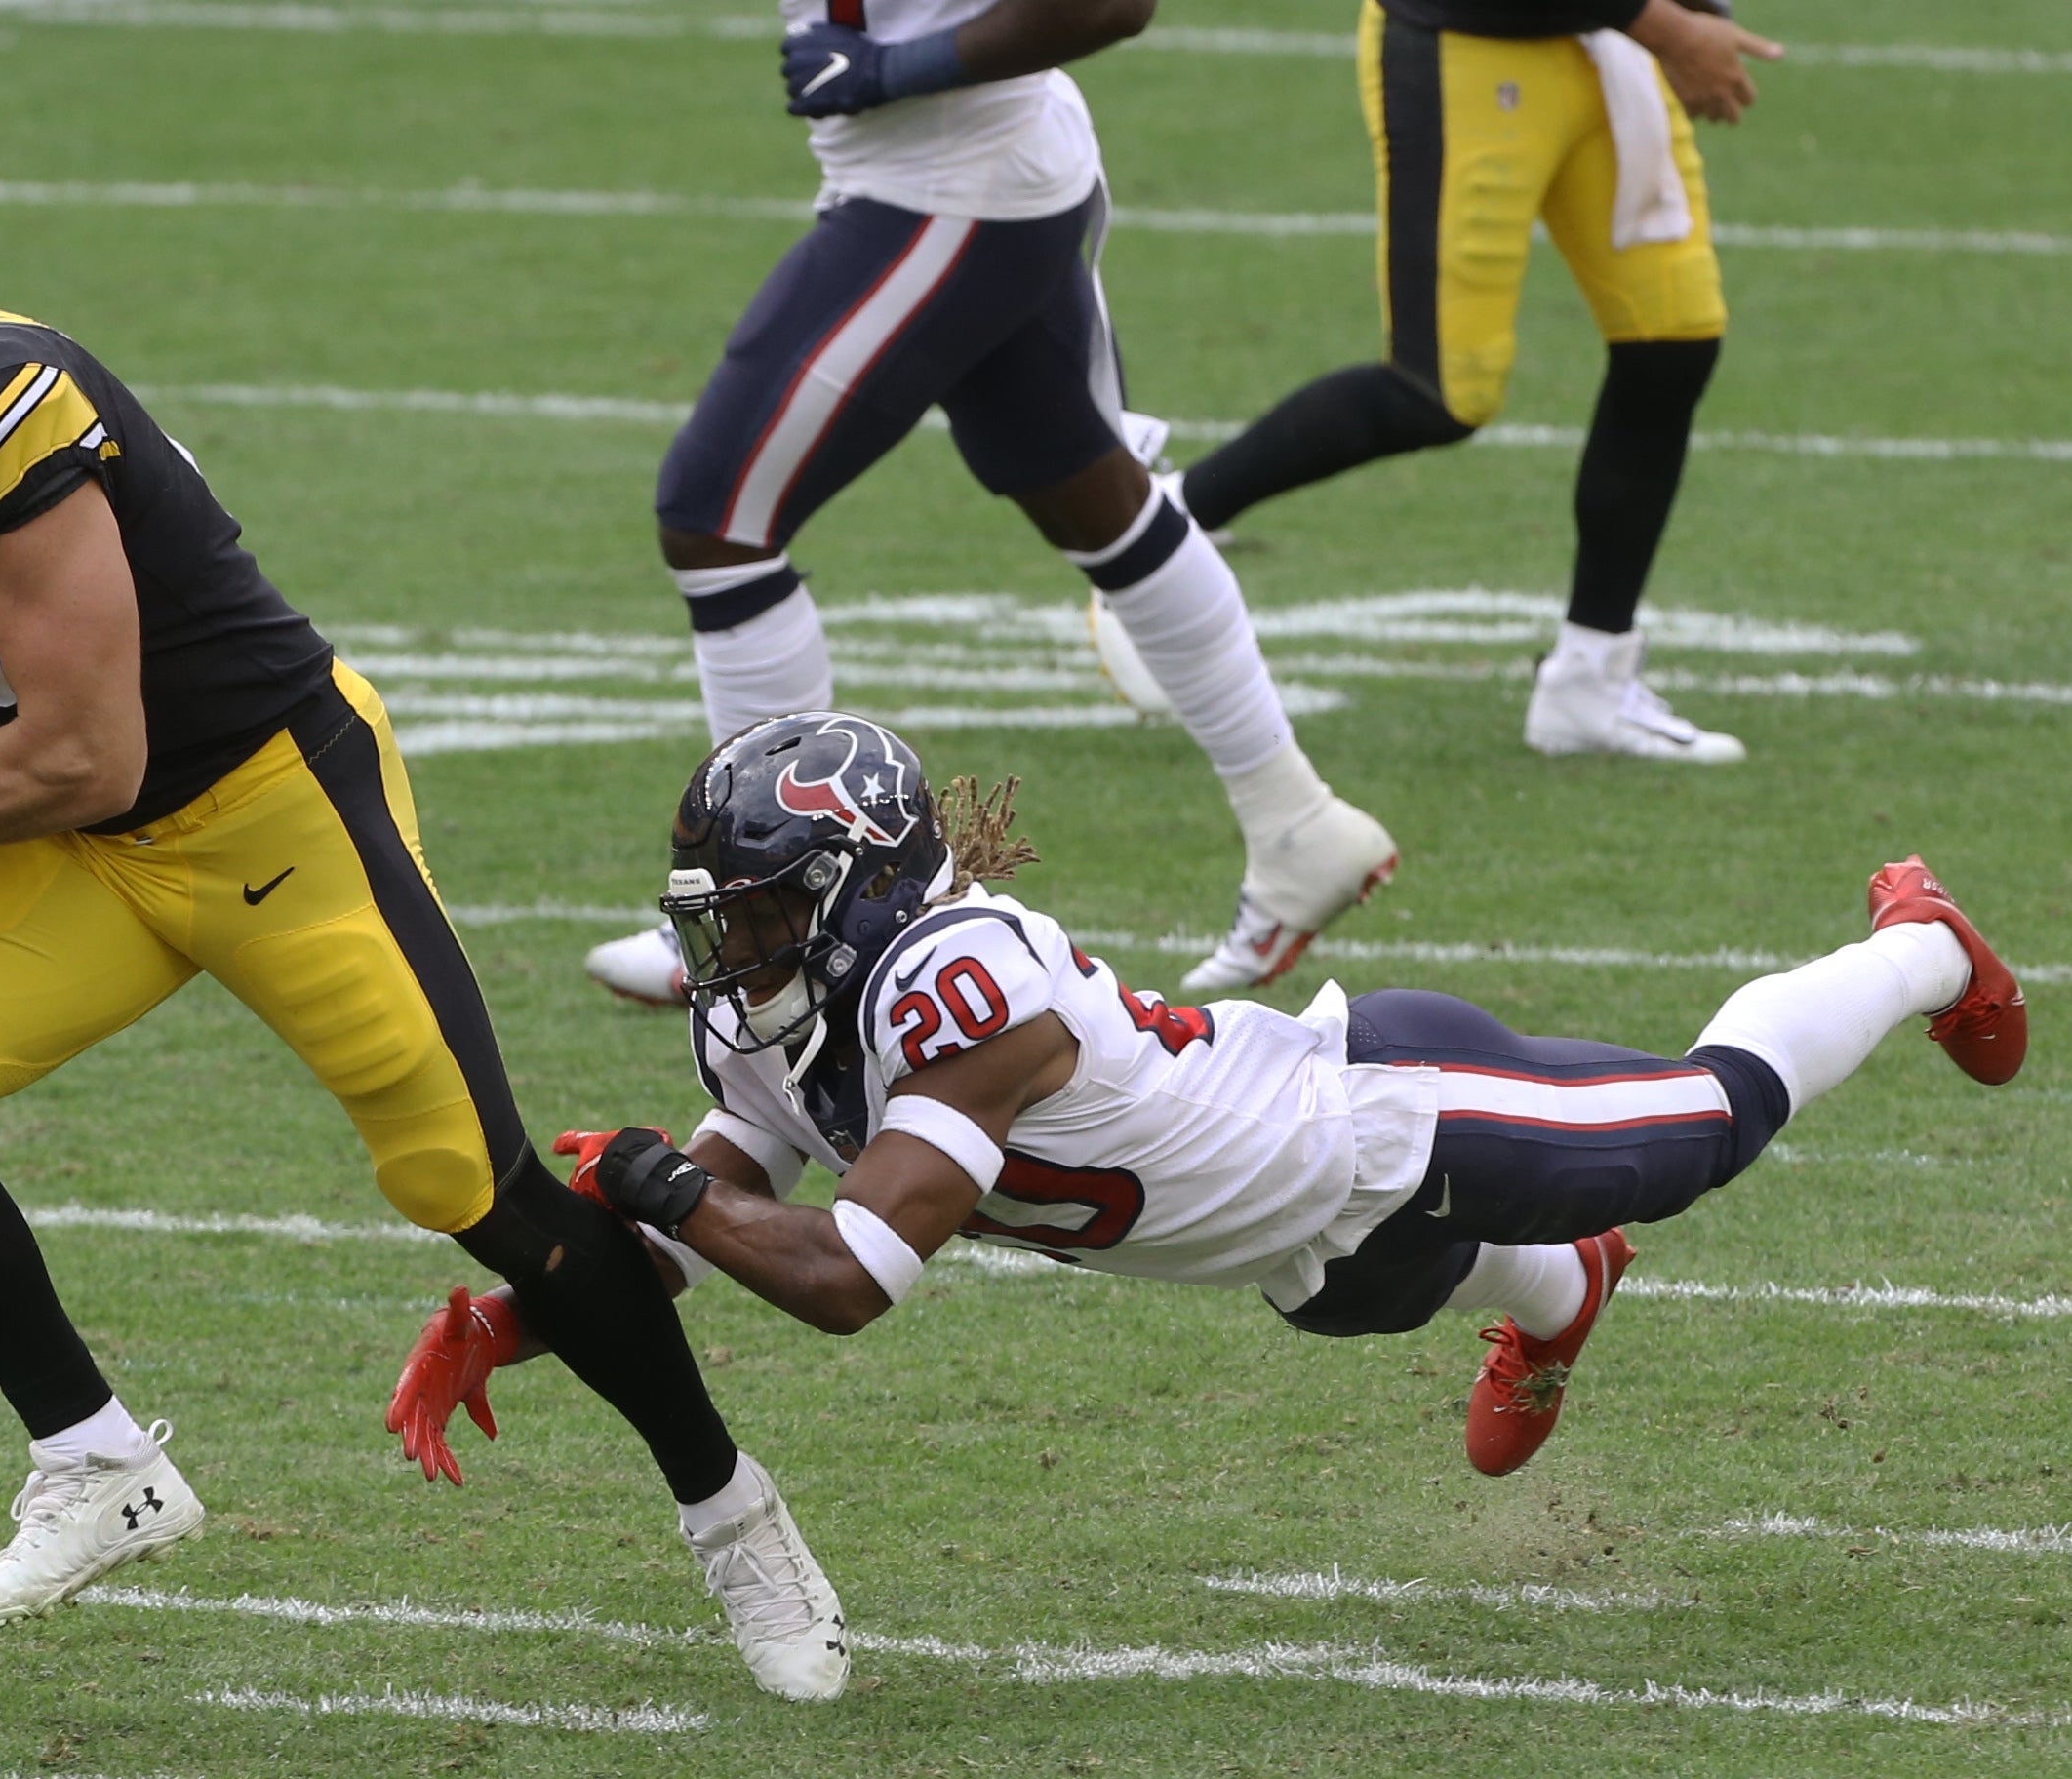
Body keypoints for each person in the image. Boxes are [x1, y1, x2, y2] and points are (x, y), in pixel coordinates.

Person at [0, 136, 845, 1698]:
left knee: (477, 1190)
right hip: (84, 847)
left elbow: (90, 746)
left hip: (265, 806)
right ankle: (99, 1463)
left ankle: (734, 1519)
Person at [393, 714, 2023, 1487]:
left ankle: (1915, 949)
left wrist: (658, 1182)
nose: (731, 942)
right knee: (1357, 1295)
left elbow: (845, 1277)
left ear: (853, 891)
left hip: (1377, 1107)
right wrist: (525, 1308)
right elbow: (709, 1236)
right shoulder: (779, 1013)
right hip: (1286, 1233)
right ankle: (1562, 1286)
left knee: (1696, 1127)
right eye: (722, 913)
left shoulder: (954, 985)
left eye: (758, 907)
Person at [584, 0, 1400, 1007]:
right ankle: (1297, 823)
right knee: (1091, 496)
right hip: (978, 171)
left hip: (946, 187)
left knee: (716, 522)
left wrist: (895, 67)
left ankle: (772, 915)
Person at [1177, 0, 1784, 764]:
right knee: (1440, 390)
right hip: (1469, 40)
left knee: (1671, 341)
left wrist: (1686, 17)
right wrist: (1671, 29)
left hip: (1609, 42)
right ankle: (1165, 525)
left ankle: (1590, 681)